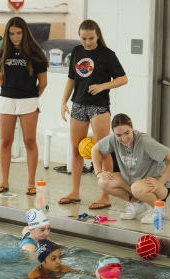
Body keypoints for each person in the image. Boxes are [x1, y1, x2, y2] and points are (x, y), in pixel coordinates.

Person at [59, 19, 128, 210]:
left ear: (97, 35)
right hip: (78, 105)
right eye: (83, 38)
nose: (87, 42)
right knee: (75, 150)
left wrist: (103, 86)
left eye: (90, 38)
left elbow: (123, 79)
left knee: (104, 151)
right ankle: (74, 192)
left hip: (99, 107)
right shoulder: (76, 52)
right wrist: (63, 102)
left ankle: (105, 195)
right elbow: (71, 79)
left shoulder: (107, 55)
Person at [0, 16, 49, 196]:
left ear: (24, 33)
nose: (15, 37)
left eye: (18, 33)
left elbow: (43, 82)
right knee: (6, 141)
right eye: (11, 34)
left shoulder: (36, 53)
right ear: (7, 35)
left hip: (28, 101)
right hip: (7, 100)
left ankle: (31, 183)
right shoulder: (2, 53)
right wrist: (12, 92)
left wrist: (30, 96)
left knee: (29, 141)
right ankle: (4, 181)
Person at [91, 113, 170, 224]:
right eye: (119, 135)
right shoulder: (113, 139)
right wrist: (98, 172)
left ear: (132, 127)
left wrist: (160, 182)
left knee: (136, 188)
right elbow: (95, 149)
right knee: (103, 182)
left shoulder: (145, 142)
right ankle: (136, 204)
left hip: (155, 186)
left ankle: (157, 209)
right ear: (114, 133)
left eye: (127, 133)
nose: (123, 138)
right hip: (133, 182)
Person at [16, 239, 91, 279]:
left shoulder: (62, 268)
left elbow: (79, 272)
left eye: (59, 257)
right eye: (53, 259)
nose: (59, 261)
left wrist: (93, 274)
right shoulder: (35, 274)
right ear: (42, 262)